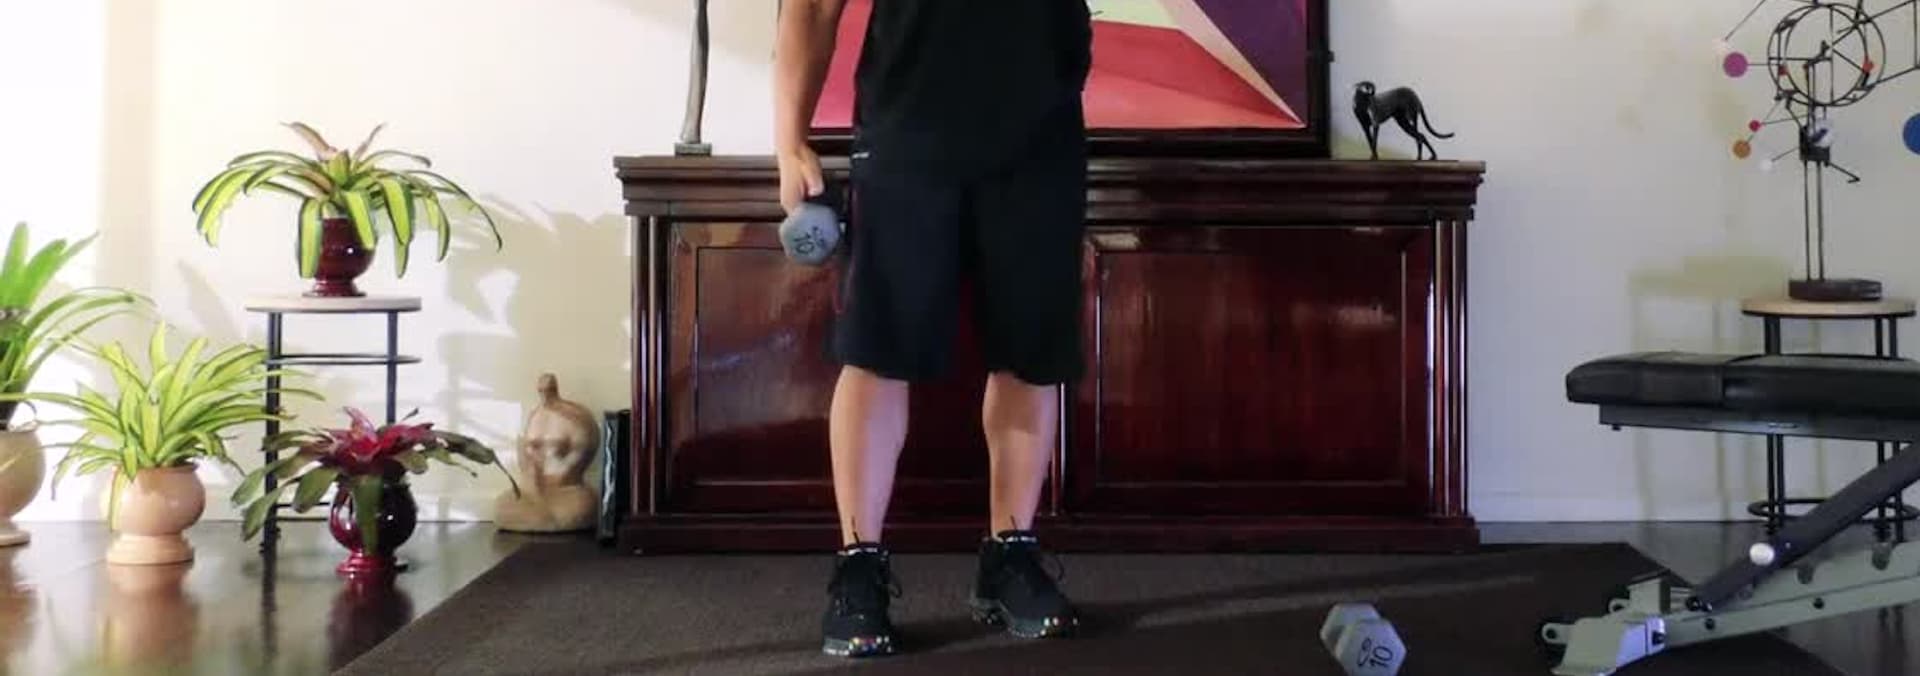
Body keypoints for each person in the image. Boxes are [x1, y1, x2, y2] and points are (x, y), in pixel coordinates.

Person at [772, 0, 1094, 658]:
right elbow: (812, 8)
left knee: (1030, 351)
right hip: (906, 129)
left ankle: (1010, 555)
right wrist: (789, 139)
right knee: (878, 349)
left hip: (1041, 135)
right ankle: (858, 565)